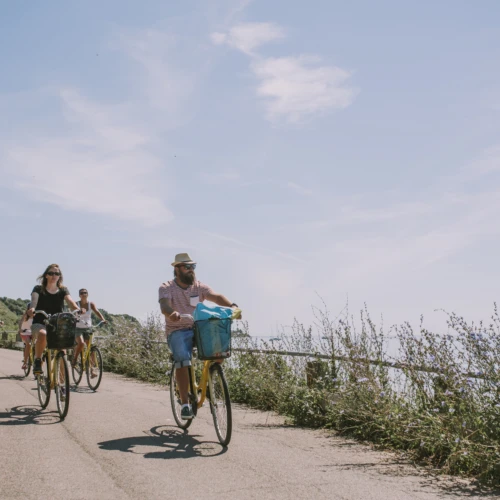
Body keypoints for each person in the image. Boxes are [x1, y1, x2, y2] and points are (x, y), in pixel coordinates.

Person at [158, 252, 239, 420]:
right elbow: (164, 305)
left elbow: (216, 296)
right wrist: (171, 313)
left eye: (193, 266)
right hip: (178, 328)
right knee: (182, 358)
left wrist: (232, 306)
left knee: (219, 350)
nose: (191, 270)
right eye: (187, 267)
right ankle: (186, 403)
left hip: (199, 327)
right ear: (177, 269)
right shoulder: (166, 287)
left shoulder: (198, 286)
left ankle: (210, 377)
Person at [27, 264, 81, 377]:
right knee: (43, 334)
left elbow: (70, 302)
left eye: (57, 273)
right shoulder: (38, 289)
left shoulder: (63, 290)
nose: (54, 276)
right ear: (46, 275)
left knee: (62, 351)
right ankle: (38, 360)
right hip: (40, 322)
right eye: (51, 273)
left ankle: (61, 384)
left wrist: (77, 309)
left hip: (57, 323)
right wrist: (32, 309)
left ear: (59, 276)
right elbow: (34, 301)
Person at [72, 288, 106, 377]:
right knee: (81, 343)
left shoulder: (91, 304)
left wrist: (103, 319)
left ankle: (92, 369)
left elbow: (97, 312)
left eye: (85, 293)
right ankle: (75, 359)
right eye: (82, 293)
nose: (84, 294)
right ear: (79, 295)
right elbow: (72, 313)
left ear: (87, 294)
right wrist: (78, 312)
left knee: (91, 349)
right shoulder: (76, 304)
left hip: (88, 328)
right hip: (78, 328)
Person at [18, 303, 33, 371]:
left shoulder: (37, 316)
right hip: (24, 333)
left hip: (33, 333)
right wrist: (20, 328)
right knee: (28, 344)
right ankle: (25, 363)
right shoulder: (25, 315)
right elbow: (21, 322)